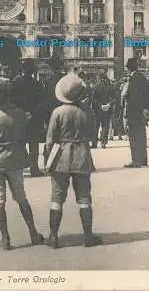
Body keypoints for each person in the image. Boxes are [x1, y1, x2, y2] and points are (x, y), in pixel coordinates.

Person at [0, 79, 44, 250]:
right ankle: (33, 233)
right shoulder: (21, 114)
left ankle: (5, 238)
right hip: (15, 160)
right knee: (21, 197)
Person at [44, 73, 102, 249]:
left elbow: (49, 141)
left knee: (56, 198)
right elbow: (93, 135)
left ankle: (53, 237)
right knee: (84, 198)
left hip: (61, 157)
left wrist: (48, 159)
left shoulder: (57, 112)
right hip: (82, 156)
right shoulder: (87, 111)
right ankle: (88, 236)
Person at [10, 59, 49, 177]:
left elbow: (11, 102)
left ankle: (19, 168)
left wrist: (20, 113)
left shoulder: (14, 84)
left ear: (21, 70)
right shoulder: (37, 85)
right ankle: (34, 169)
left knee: (19, 144)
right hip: (34, 119)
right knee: (34, 145)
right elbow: (43, 103)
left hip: (18, 119)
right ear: (33, 71)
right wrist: (32, 113)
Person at [121, 58, 149, 168]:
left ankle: (136, 160)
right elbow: (148, 95)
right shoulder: (142, 78)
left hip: (133, 112)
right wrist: (146, 108)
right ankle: (143, 159)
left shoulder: (133, 79)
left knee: (134, 137)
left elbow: (133, 97)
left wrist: (125, 95)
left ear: (129, 68)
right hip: (140, 112)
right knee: (141, 136)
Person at [91, 72, 114, 148]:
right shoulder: (110, 86)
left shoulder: (96, 86)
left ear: (99, 78)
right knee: (105, 125)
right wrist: (108, 104)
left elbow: (93, 99)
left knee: (95, 126)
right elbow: (114, 97)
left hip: (97, 109)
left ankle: (94, 143)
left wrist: (100, 105)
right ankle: (103, 142)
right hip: (107, 109)